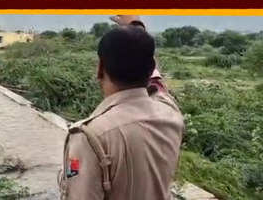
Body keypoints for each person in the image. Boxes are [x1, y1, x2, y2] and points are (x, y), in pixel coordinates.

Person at [59, 15, 184, 200]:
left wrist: (135, 29)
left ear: (100, 67)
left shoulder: (89, 137)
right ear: (149, 69)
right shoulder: (170, 113)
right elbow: (158, 84)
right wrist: (138, 30)